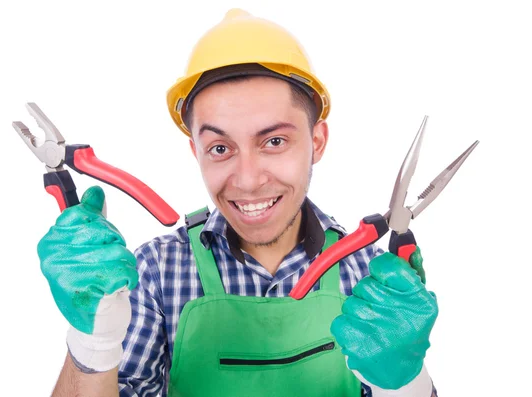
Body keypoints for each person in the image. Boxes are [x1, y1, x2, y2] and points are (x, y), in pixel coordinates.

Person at [38, 8, 439, 397]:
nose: (247, 180)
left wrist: (405, 385)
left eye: (274, 141)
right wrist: (92, 346)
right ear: (195, 150)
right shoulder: (151, 274)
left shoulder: (370, 279)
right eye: (219, 147)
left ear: (316, 142)